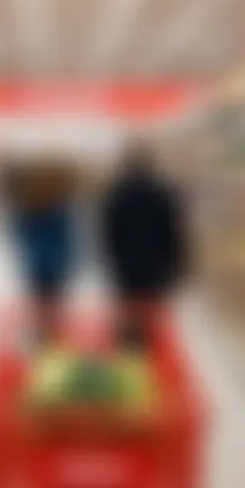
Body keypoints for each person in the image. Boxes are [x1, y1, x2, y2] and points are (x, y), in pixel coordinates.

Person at [99, 144, 188, 347]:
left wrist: (111, 258)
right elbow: (171, 232)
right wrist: (176, 263)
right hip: (155, 261)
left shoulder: (117, 194)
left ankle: (129, 342)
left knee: (129, 305)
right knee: (149, 305)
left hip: (126, 261)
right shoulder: (162, 194)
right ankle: (147, 343)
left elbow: (109, 232)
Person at [0, 160, 76, 340]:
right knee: (52, 302)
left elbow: (18, 233)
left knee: (42, 301)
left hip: (37, 262)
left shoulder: (29, 206)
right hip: (53, 263)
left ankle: (45, 335)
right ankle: (52, 334)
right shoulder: (57, 207)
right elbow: (66, 237)